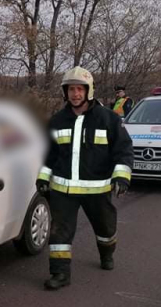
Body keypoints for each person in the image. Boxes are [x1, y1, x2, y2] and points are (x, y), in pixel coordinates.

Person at [36, 67, 134, 290]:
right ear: (65, 92)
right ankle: (60, 274)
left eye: (80, 89)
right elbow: (49, 153)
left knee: (106, 229)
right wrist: (43, 177)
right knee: (59, 231)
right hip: (64, 190)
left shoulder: (108, 119)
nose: (75, 94)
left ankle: (107, 254)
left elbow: (124, 150)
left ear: (89, 91)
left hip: (97, 190)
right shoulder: (57, 120)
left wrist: (121, 178)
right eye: (71, 89)